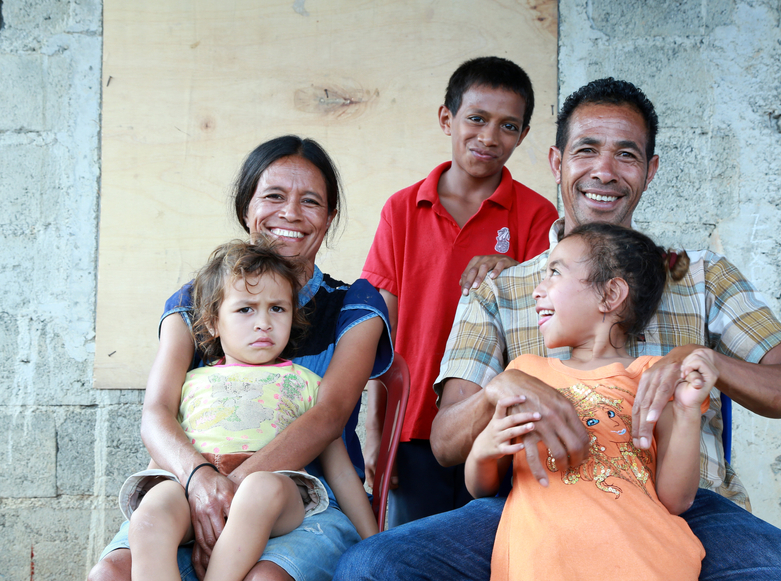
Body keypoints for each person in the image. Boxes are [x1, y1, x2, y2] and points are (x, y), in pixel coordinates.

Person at [334, 79, 781, 580]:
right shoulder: (503, 288)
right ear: (557, 162)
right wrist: (499, 390)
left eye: (626, 154)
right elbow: (446, 442)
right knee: (373, 566)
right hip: (538, 499)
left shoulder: (701, 276)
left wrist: (709, 361)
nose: (604, 170)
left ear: (650, 170)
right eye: (586, 150)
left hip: (686, 506)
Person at [89, 135, 392, 581]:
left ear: (328, 219)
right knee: (111, 574)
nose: (290, 213)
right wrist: (198, 481)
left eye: (311, 201)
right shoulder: (197, 301)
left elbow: (328, 416)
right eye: (273, 196)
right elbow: (157, 414)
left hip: (305, 503)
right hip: (193, 486)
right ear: (246, 207)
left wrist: (227, 490)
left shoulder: (354, 305)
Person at [360, 56, 558, 527]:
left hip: (498, 427)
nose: (490, 137)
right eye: (476, 119)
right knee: (412, 555)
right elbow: (377, 329)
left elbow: (550, 319)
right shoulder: (403, 209)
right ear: (447, 119)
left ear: (524, 135)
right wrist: (373, 424)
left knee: (491, 553)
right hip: (411, 428)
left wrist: (516, 272)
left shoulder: (536, 215)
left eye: (508, 126)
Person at [120, 238, 377, 581]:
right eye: (245, 309)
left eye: (277, 308)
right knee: (151, 514)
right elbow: (166, 453)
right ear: (212, 321)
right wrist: (164, 490)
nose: (263, 323)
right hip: (199, 489)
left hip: (275, 496)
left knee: (258, 488)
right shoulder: (192, 383)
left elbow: (340, 470)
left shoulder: (304, 382)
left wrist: (375, 542)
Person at [466, 222, 711, 580]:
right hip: (541, 564)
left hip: (646, 561)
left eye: (554, 273)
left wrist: (688, 411)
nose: (538, 289)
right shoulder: (524, 374)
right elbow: (481, 487)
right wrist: (483, 450)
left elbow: (675, 499)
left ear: (610, 295)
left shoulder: (654, 376)